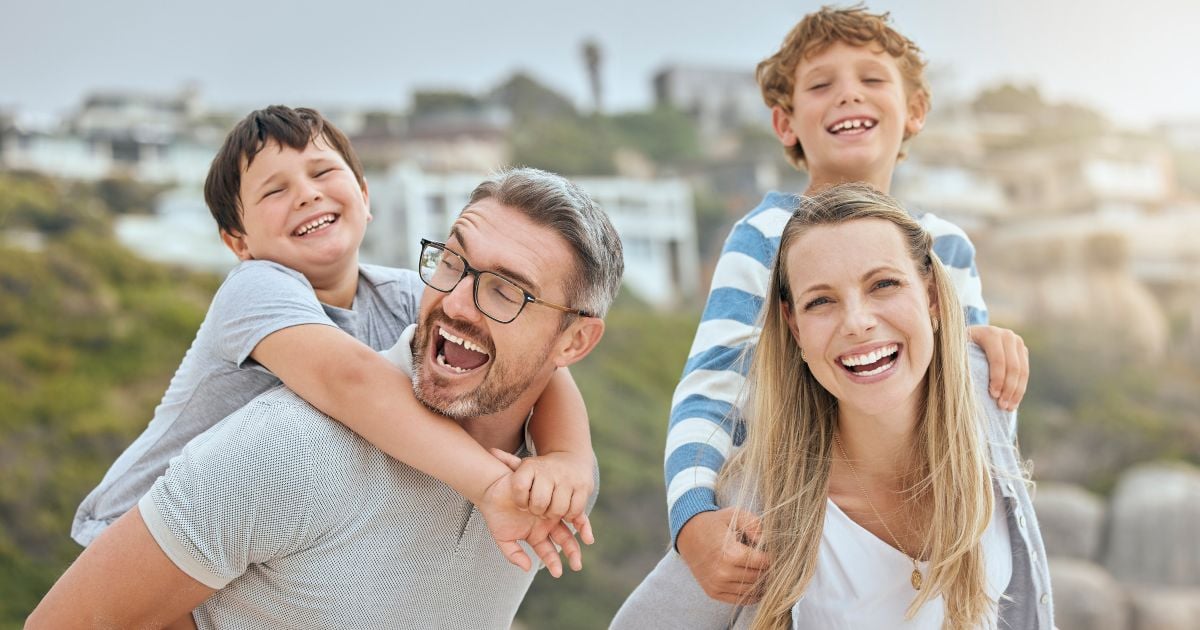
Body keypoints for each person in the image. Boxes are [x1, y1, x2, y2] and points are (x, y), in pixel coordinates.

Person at [28, 167, 624, 629]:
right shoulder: (283, 451)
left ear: (575, 340)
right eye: (452, 261)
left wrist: (570, 459)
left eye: (505, 291)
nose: (458, 302)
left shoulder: (555, 486)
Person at [71, 106, 596, 561]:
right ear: (239, 241)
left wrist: (566, 459)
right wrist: (492, 487)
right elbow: (350, 380)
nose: (306, 194)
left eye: (323, 172)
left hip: (243, 540)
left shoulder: (410, 295)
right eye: (275, 190)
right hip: (132, 534)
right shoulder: (254, 289)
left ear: (365, 197)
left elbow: (544, 370)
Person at [665, 6, 1030, 600]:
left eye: (872, 78)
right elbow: (713, 386)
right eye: (821, 84)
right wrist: (692, 515)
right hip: (807, 525)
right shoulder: (763, 236)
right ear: (786, 123)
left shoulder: (949, 249)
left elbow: (966, 411)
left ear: (914, 110)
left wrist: (987, 344)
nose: (847, 95)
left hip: (930, 529)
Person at [616, 183, 1052, 629]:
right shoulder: (760, 506)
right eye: (821, 301)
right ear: (795, 328)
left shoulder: (989, 395)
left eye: (884, 284)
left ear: (933, 297)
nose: (858, 322)